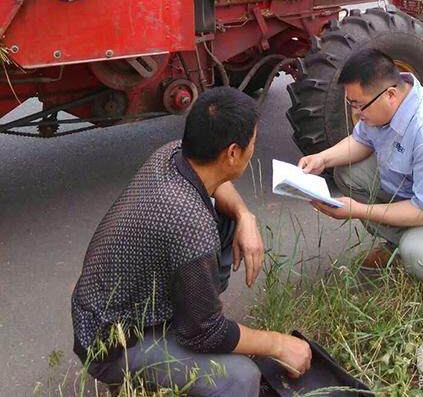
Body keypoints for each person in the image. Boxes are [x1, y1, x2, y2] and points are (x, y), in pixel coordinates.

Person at [71, 87, 311, 396]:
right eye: (253, 143)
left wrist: (244, 216)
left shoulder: (172, 153)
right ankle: (132, 377)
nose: (254, 150)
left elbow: (218, 186)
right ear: (233, 153)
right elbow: (207, 334)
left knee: (227, 221)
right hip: (109, 345)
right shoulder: (191, 227)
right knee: (240, 377)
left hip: (103, 307)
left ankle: (187, 319)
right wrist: (280, 344)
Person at [298, 49, 423, 291]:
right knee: (347, 171)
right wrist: (322, 158)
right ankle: (398, 246)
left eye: (359, 106)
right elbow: (361, 141)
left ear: (390, 95)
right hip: (418, 189)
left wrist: (360, 210)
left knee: (420, 254)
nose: (356, 114)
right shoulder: (386, 102)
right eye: (351, 104)